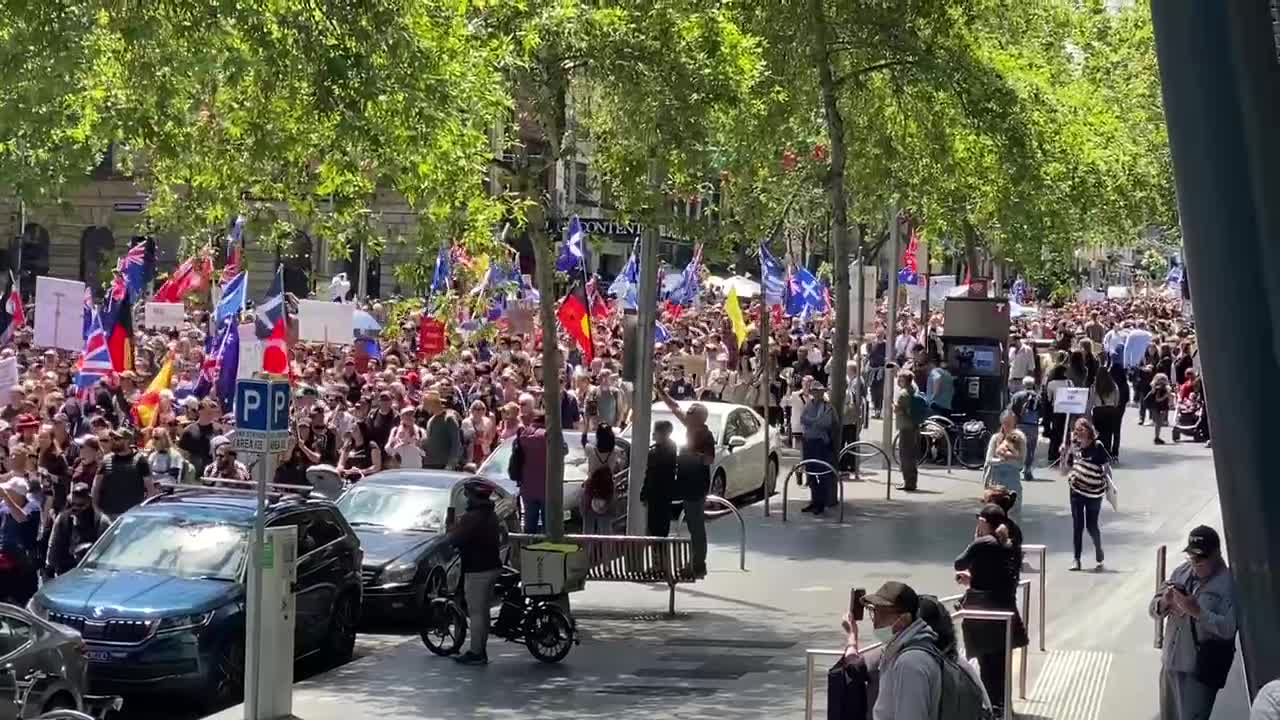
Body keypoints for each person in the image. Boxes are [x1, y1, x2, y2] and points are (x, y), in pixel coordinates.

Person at [1149, 526, 1238, 720]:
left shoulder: (1228, 584)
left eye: (1201, 558)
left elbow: (1228, 629)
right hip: (1170, 665)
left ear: (1216, 554)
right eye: (1192, 558)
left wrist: (1197, 612)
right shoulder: (1182, 572)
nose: (1196, 564)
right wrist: (1164, 602)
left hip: (1197, 673)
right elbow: (1153, 609)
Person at [953, 504, 1029, 716]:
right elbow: (999, 576)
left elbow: (959, 562)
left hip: (985, 615)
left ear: (984, 522)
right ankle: (1004, 708)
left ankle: (993, 710)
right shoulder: (1009, 541)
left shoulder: (983, 543)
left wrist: (975, 540)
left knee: (987, 667)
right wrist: (974, 579)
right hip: (1006, 611)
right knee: (1001, 666)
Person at [860, 581, 942, 719]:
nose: (875, 622)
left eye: (882, 614)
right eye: (874, 611)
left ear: (904, 619)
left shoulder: (910, 663)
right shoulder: (902, 652)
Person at [659, 387, 715, 578]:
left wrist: (690, 455)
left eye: (691, 412)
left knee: (696, 526)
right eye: (688, 411)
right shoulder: (691, 427)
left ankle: (698, 564)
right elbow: (675, 407)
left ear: (700, 417)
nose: (687, 414)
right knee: (692, 525)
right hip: (687, 482)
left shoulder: (705, 435)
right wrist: (661, 392)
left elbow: (709, 459)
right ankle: (696, 563)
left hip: (696, 485)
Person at [446, 480, 502, 666]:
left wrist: (453, 525)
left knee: (477, 612)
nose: (466, 498)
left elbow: (455, 539)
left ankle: (476, 653)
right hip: (492, 566)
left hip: (477, 569)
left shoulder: (472, 517)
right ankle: (480, 648)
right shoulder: (490, 514)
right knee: (483, 612)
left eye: (467, 495)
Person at [1067, 418, 1110, 572]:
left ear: (1089, 431)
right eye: (1077, 430)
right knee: (1077, 525)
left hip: (1093, 491)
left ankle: (1098, 548)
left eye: (1082, 429)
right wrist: (1065, 453)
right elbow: (1066, 468)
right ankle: (1076, 559)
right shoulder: (1074, 446)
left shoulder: (1098, 446)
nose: (1079, 433)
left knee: (1091, 526)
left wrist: (1109, 487)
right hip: (1076, 490)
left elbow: (1106, 468)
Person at [44, 482, 107, 578]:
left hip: (91, 573)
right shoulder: (63, 518)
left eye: (80, 505)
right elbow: (53, 544)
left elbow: (107, 550)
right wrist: (49, 566)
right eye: (73, 504)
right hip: (65, 571)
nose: (75, 508)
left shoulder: (100, 521)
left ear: (89, 501)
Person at [92, 428, 153, 521]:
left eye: (117, 439)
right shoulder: (106, 460)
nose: (113, 441)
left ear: (127, 440)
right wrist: (96, 509)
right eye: (111, 438)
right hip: (108, 516)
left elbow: (151, 490)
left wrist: (140, 511)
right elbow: (96, 487)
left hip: (131, 517)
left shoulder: (140, 460)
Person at [799, 382, 839, 515]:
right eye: (815, 391)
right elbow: (803, 418)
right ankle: (813, 501)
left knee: (821, 474)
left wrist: (813, 422)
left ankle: (821, 504)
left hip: (821, 444)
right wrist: (815, 421)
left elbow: (826, 423)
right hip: (809, 442)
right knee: (810, 474)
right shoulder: (808, 404)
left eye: (819, 391)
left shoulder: (828, 407)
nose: (817, 393)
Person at [0, 476, 40, 605]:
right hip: (5, 557)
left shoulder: (33, 508)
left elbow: (21, 519)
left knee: (21, 599)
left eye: (10, 492)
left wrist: (7, 498)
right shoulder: (3, 507)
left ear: (18, 495)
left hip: (23, 563)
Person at [582, 424, 623, 534]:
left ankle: (589, 549)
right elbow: (620, 467)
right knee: (606, 525)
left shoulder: (590, 449)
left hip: (591, 489)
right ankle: (605, 550)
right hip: (608, 489)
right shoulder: (616, 451)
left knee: (588, 524)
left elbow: (583, 440)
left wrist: (587, 423)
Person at [641, 420, 678, 537]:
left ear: (662, 433)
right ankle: (661, 552)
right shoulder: (672, 447)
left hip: (656, 494)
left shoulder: (656, 452)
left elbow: (650, 474)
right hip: (666, 494)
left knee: (654, 527)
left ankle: (657, 552)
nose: (653, 434)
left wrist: (644, 493)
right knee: (663, 526)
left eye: (655, 431)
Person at [984, 412, 1025, 515]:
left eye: (1011, 424)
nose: (1008, 426)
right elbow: (989, 460)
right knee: (994, 515)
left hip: (1012, 482)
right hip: (995, 482)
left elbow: (1020, 465)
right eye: (1006, 423)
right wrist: (1001, 460)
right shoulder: (995, 438)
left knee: (1013, 515)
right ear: (1001, 423)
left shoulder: (1020, 440)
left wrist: (1009, 459)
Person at [892, 370, 921, 492]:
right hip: (914, 426)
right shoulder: (914, 390)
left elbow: (899, 410)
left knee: (905, 456)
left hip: (906, 428)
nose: (898, 381)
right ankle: (912, 481)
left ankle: (908, 482)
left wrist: (893, 405)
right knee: (912, 456)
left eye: (900, 379)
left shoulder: (903, 394)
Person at [1009, 376, 1041, 482]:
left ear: (1023, 384)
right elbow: (1042, 411)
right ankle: (1027, 470)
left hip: (1020, 425)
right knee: (1031, 449)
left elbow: (1012, 410)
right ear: (1033, 385)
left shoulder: (1017, 396)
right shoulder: (1038, 397)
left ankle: (1016, 468)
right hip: (1033, 425)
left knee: (1018, 447)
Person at [420, 391, 462, 470]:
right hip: (429, 463)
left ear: (433, 403)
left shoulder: (449, 418)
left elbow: (456, 443)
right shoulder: (431, 420)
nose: (424, 407)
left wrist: (451, 463)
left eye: (426, 403)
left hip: (443, 464)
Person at [1147, 373, 1173, 445]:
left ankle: (1157, 437)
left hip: (1155, 406)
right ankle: (1157, 437)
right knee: (1158, 423)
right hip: (1160, 406)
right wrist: (1166, 395)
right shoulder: (1160, 389)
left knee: (1158, 423)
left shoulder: (1155, 387)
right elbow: (1158, 399)